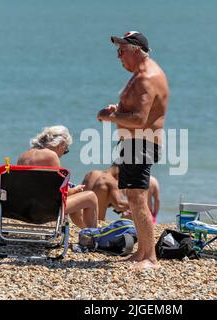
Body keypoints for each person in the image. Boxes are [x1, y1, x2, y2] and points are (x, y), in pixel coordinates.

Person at [97, 31, 169, 269]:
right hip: (134, 142)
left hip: (142, 142)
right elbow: (136, 108)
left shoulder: (146, 78)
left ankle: (151, 258)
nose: (118, 56)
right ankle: (141, 253)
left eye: (122, 50)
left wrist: (110, 116)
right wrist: (118, 108)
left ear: (136, 51)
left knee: (138, 198)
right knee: (133, 197)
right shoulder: (140, 74)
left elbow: (139, 119)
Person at [17, 125, 98, 229]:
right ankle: (95, 237)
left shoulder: (23, 156)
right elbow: (57, 192)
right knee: (91, 197)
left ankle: (86, 230)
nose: (63, 154)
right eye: (66, 150)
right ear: (61, 144)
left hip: (24, 208)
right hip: (45, 209)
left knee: (76, 198)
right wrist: (74, 190)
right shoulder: (51, 156)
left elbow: (35, 188)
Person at [82, 164, 161, 222]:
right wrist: (139, 206)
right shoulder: (111, 181)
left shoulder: (92, 173)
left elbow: (96, 196)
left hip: (80, 219)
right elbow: (119, 205)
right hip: (95, 222)